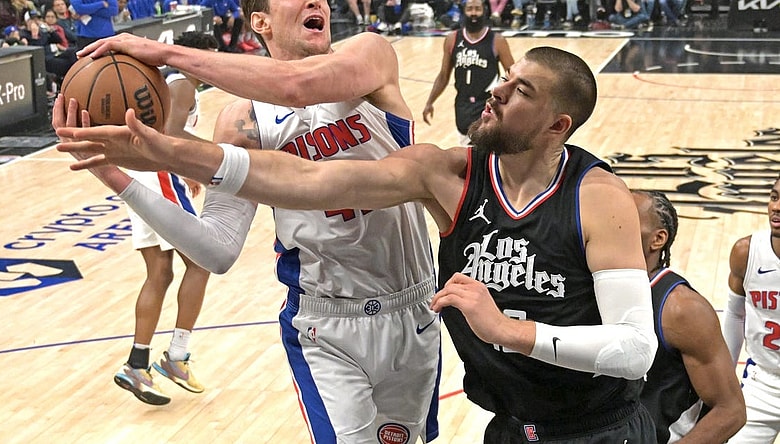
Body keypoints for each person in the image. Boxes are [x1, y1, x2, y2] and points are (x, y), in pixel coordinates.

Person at [57, 46, 658, 442]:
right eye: (505, 80)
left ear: (558, 125)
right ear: (261, 20)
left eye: (521, 89)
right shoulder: (446, 173)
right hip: (494, 411)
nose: (498, 92)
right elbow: (303, 179)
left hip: (595, 425)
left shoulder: (596, 195)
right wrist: (150, 152)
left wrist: (506, 331)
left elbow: (635, 351)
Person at [57, 1, 442, 441]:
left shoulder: (369, 55)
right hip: (326, 326)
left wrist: (165, 53)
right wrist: (113, 175)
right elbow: (216, 249)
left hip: (413, 308)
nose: (317, 1)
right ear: (260, 22)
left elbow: (298, 85)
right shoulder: (243, 121)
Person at [111, 31, 218, 406]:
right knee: (203, 260)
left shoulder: (164, 82)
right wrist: (204, 161)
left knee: (160, 273)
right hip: (159, 173)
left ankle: (136, 365)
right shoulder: (184, 84)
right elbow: (169, 134)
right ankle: (177, 357)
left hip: (139, 172)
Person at [632, 190, 746, 443]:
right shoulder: (586, 287)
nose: (611, 226)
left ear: (657, 239)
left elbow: (731, 411)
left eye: (625, 221)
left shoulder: (682, 309)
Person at [722, 174, 780, 443]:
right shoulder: (747, 252)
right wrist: (725, 378)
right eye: (774, 197)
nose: (776, 207)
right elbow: (734, 314)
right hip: (761, 383)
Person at [422, 0, 513, 145]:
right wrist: (430, 102)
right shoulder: (452, 39)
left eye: (477, 9)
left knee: (486, 152)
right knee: (467, 152)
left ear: (484, 11)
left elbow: (513, 76)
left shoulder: (497, 40)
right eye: (470, 9)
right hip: (462, 105)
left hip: (487, 103)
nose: (474, 13)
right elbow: (443, 75)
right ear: (464, 11)